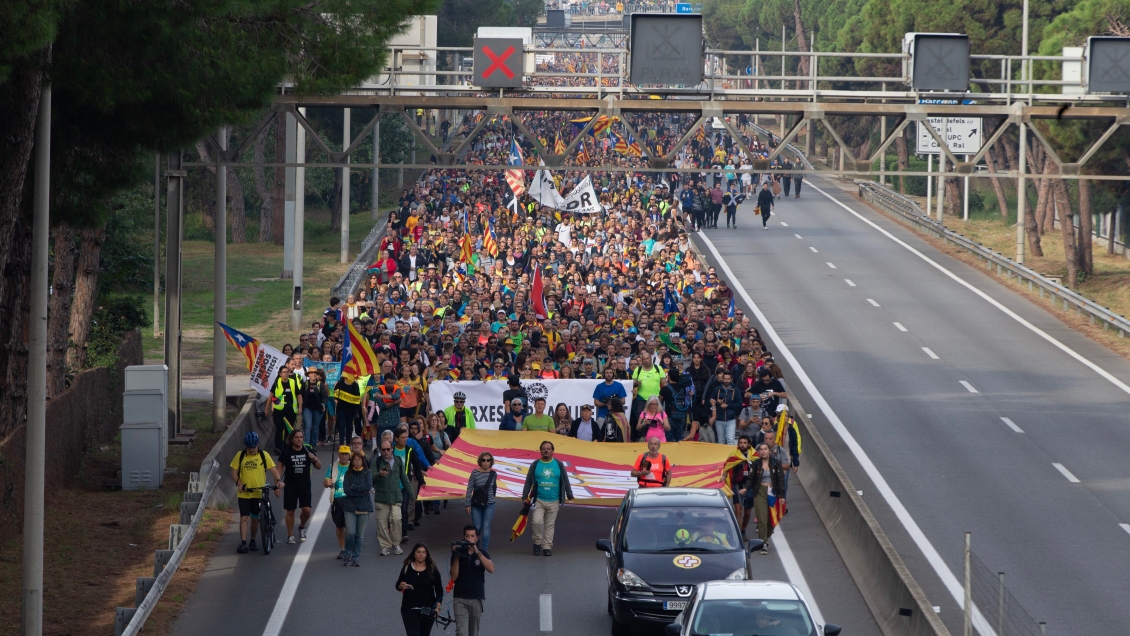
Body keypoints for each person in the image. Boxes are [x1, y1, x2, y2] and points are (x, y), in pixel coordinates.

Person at [230, 431, 283, 554]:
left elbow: (274, 470)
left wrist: (278, 481)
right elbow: (234, 472)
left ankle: (253, 540)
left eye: (254, 447)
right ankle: (243, 543)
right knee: (244, 518)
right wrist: (239, 484)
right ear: (246, 446)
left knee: (255, 519)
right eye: (249, 447)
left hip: (258, 492)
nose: (252, 450)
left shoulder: (264, 455)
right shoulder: (240, 455)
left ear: (258, 445)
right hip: (244, 493)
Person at [521, 441, 576, 556]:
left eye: (548, 448)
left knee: (549, 525)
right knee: (536, 522)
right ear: (540, 451)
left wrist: (569, 494)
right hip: (538, 500)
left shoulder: (558, 464)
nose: (546, 450)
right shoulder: (535, 464)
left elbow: (565, 479)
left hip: (554, 500)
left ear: (552, 451)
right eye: (544, 449)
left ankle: (547, 546)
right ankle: (537, 543)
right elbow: (528, 481)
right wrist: (524, 496)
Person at [738, 442, 785, 553]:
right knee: (762, 520)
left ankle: (766, 536)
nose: (763, 451)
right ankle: (763, 543)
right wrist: (746, 488)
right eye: (761, 449)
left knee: (772, 521)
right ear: (758, 452)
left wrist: (782, 495)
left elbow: (781, 480)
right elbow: (751, 479)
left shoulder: (776, 463)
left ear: (769, 451)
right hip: (760, 492)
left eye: (765, 449)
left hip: (773, 492)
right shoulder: (756, 464)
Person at [277, 429, 321, 544]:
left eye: (301, 437)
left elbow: (319, 466)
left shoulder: (308, 450)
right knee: (290, 511)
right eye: (297, 437)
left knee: (306, 510)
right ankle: (290, 535)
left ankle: (301, 526)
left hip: (304, 485)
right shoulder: (286, 452)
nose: (299, 439)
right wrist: (278, 482)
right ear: (291, 439)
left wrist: (315, 459)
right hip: (290, 485)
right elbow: (280, 467)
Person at [450, 525, 495, 636]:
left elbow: (491, 569)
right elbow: (453, 577)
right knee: (461, 632)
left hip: (476, 597)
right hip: (460, 597)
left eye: (472, 536)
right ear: (464, 537)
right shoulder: (459, 553)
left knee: (473, 633)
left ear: (477, 538)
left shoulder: (482, 552)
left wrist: (477, 552)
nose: (469, 539)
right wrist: (457, 556)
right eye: (467, 536)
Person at [397, 543, 445, 636]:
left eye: (423, 552)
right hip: (409, 608)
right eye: (418, 552)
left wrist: (438, 608)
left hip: (427, 609)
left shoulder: (432, 569)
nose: (421, 554)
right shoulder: (407, 567)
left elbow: (439, 590)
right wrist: (401, 586)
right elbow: (398, 585)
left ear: (427, 555)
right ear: (414, 554)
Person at [374, 440, 412, 556]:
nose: (386, 452)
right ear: (380, 450)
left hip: (395, 496)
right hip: (382, 497)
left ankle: (396, 543)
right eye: (383, 450)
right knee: (382, 523)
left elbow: (404, 478)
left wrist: (412, 495)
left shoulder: (398, 461)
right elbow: (371, 476)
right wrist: (379, 474)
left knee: (396, 520)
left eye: (388, 449)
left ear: (392, 449)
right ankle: (385, 546)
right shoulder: (376, 461)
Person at [342, 451, 373, 566]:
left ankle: (356, 557)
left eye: (359, 459)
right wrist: (361, 491)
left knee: (359, 535)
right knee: (350, 533)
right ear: (352, 461)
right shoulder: (348, 474)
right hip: (350, 507)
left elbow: (368, 486)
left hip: (364, 507)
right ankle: (347, 554)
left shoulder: (367, 472)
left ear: (363, 461)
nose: (357, 461)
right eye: (355, 459)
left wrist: (354, 487)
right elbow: (346, 490)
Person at [465, 451, 498, 552]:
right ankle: (475, 547)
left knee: (486, 527)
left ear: (490, 462)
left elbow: (494, 488)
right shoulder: (475, 473)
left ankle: (484, 550)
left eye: (488, 460)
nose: (486, 462)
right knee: (477, 527)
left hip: (489, 504)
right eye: (483, 460)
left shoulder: (493, 474)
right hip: (476, 504)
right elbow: (469, 488)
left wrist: (492, 497)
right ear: (480, 461)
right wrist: (467, 504)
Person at [323, 445, 352, 559]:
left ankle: (350, 548)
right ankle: (343, 548)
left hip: (349, 499)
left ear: (349, 455)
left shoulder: (353, 467)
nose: (344, 456)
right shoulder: (332, 467)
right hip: (336, 500)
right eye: (342, 454)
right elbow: (325, 483)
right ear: (338, 455)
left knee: (350, 527)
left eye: (346, 454)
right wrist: (327, 483)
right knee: (339, 526)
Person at [266, 366, 303, 451]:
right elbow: (271, 396)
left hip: (291, 410)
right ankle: (278, 447)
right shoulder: (277, 382)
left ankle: (287, 446)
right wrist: (266, 408)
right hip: (279, 411)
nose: (286, 373)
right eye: (284, 372)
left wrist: (300, 407)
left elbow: (299, 395)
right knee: (279, 428)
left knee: (288, 429)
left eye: (287, 372)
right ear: (280, 374)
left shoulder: (293, 382)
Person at [728, 435, 756, 537]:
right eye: (740, 443)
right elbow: (727, 466)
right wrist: (723, 477)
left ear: (749, 444)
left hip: (749, 486)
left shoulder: (755, 456)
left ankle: (743, 530)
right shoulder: (734, 455)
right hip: (737, 484)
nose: (742, 445)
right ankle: (738, 534)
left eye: (745, 443)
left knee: (748, 512)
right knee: (738, 509)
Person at [709, 370, 740, 445]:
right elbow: (711, 400)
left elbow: (739, 404)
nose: (726, 380)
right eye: (725, 379)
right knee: (721, 441)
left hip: (731, 419)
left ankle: (731, 456)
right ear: (722, 379)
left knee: (730, 440)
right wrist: (717, 402)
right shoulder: (717, 389)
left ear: (731, 379)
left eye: (728, 379)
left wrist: (728, 405)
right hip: (719, 419)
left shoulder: (735, 390)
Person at [334, 372, 364, 447]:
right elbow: (335, 395)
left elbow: (357, 397)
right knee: (341, 425)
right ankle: (341, 443)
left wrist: (356, 409)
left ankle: (348, 443)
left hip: (351, 409)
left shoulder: (355, 384)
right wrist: (337, 403)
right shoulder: (340, 383)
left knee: (349, 425)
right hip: (341, 408)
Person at [301, 368, 328, 447]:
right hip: (307, 408)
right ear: (308, 375)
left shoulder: (320, 384)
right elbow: (300, 396)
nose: (313, 375)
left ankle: (313, 445)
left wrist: (323, 404)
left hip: (318, 409)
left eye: (315, 373)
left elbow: (325, 397)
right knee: (308, 426)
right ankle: (306, 445)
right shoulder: (305, 384)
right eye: (311, 373)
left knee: (315, 427)